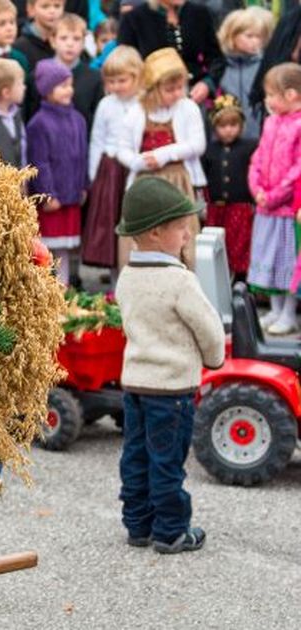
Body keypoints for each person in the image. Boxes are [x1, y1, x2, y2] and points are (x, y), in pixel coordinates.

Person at [113, 175, 224, 555]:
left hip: (135, 385)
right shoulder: (180, 281)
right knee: (167, 462)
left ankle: (138, 525)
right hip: (172, 390)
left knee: (136, 456)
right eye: (182, 229)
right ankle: (172, 531)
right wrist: (214, 358)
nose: (188, 236)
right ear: (158, 233)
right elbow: (208, 328)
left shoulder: (126, 278)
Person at [114, 48, 206, 268]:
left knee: (178, 231)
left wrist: (166, 154)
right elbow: (122, 148)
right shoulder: (137, 111)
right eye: (169, 89)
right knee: (146, 232)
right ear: (153, 89)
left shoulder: (187, 108)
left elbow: (197, 144)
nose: (176, 93)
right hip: (144, 182)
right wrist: (138, 161)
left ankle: (184, 270)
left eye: (180, 87)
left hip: (176, 180)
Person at [249, 63, 301, 334]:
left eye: (271, 95)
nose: (267, 100)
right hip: (265, 206)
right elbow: (258, 157)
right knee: (268, 259)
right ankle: (275, 308)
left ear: (291, 94)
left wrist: (275, 194)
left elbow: (298, 169)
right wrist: (256, 186)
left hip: (285, 210)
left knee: (287, 262)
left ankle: (289, 313)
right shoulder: (270, 122)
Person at [27, 59, 87, 285]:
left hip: (72, 194)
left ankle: (66, 288)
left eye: (70, 84)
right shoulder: (39, 124)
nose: (69, 90)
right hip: (54, 199)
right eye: (62, 85)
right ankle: (53, 289)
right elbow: (39, 162)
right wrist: (47, 193)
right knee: (52, 249)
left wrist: (83, 185)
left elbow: (83, 155)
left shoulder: (78, 119)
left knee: (70, 247)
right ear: (46, 90)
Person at [83, 45, 142, 272]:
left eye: (121, 80)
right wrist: (93, 175)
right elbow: (97, 138)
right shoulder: (106, 104)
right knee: (109, 222)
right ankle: (113, 276)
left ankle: (134, 269)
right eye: (111, 81)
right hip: (109, 170)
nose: (115, 86)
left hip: (134, 166)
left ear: (136, 76)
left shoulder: (142, 103)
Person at [117, 0, 223, 105]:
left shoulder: (199, 13)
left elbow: (216, 58)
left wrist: (207, 84)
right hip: (151, 101)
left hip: (194, 97)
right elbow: (125, 64)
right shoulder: (133, 18)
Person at [202, 95, 254, 281]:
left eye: (233, 125)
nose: (228, 130)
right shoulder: (209, 149)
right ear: (215, 127)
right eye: (223, 126)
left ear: (241, 126)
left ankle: (241, 282)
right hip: (216, 208)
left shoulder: (249, 147)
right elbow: (204, 177)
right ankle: (219, 282)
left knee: (240, 245)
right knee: (218, 246)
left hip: (240, 206)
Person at [216, 7, 273, 140]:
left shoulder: (265, 66)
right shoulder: (219, 67)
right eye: (249, 36)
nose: (256, 41)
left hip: (259, 138)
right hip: (226, 142)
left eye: (259, 37)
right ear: (232, 35)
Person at [51, 13, 103, 130]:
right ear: (53, 41)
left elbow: (96, 120)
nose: (70, 44)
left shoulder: (94, 78)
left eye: (76, 38)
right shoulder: (39, 75)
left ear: (84, 43)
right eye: (63, 38)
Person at [14, 0, 65, 69]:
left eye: (57, 6)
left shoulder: (71, 43)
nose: (52, 11)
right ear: (31, 9)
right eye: (45, 6)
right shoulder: (19, 48)